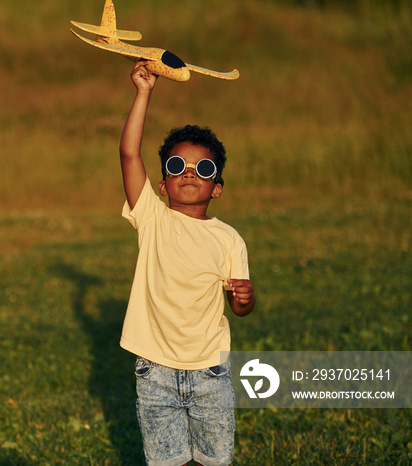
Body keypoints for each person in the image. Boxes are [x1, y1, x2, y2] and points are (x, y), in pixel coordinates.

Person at [119, 60, 255, 466]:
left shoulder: (229, 238)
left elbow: (240, 308)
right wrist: (144, 92)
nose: (190, 174)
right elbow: (129, 153)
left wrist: (245, 298)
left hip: (209, 373)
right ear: (162, 184)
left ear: (217, 189)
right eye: (177, 166)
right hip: (154, 372)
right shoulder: (153, 217)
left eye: (204, 168)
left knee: (214, 462)